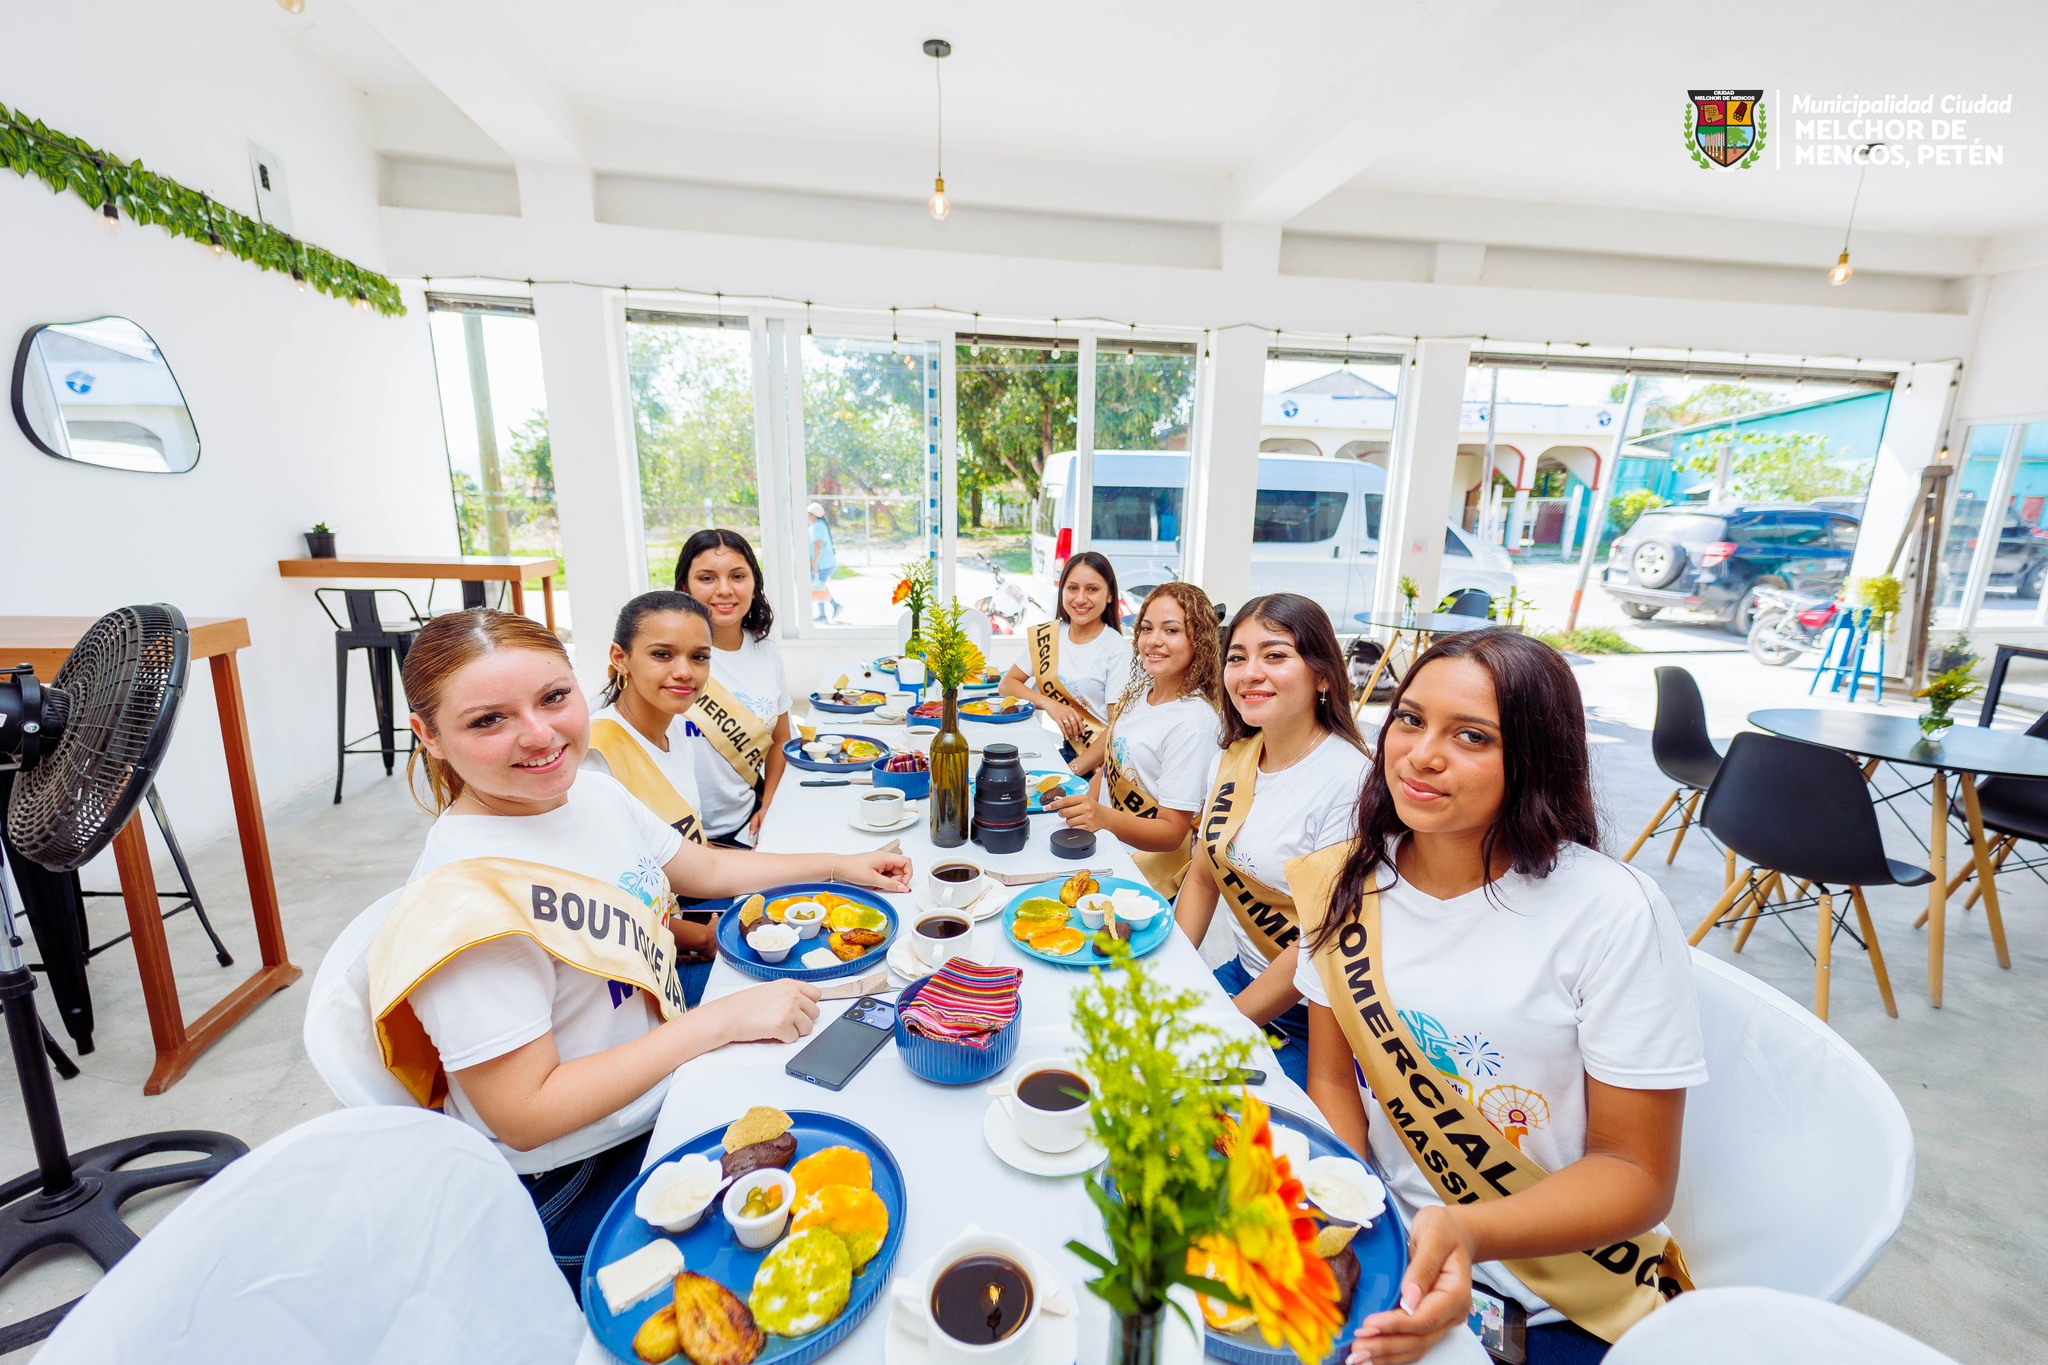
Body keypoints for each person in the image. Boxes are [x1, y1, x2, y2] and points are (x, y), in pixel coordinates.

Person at [370, 609, 912, 1291]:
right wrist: (719, 1021)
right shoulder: (462, 903)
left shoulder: (590, 793)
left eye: (554, 697)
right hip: (581, 1172)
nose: (539, 734)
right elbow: (527, 1114)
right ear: (429, 735)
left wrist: (838, 865)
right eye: (489, 720)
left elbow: (704, 868)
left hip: (663, 1081)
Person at [1292, 628, 1706, 1365]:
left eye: (1472, 736)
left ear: (1536, 759)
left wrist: (1468, 1230)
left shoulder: (1611, 911)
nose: (1421, 754)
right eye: (1410, 718)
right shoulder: (1343, 879)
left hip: (1563, 1296)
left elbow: (1636, 1173)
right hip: (1389, 1238)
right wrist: (1350, 1213)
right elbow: (1330, 1078)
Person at [1173, 593, 1368, 1091]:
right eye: (1237, 657)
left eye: (1275, 655)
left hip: (1315, 1017)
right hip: (1242, 977)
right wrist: (1171, 968)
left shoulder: (1350, 782)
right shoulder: (1233, 757)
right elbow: (1203, 878)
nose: (1249, 673)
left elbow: (1320, 939)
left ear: (1322, 675)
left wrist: (1229, 1023)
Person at [582, 590, 720, 1006]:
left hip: (683, 916)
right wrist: (702, 938)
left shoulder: (674, 727)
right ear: (620, 658)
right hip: (639, 970)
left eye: (699, 657)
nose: (685, 672)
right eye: (662, 655)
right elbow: (608, 905)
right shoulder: (596, 755)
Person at [1048, 583, 1223, 897]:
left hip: (1145, 874)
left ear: (1198, 639)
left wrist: (1102, 817)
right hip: (1105, 848)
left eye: (1171, 630)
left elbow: (1172, 833)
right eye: (1146, 628)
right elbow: (1113, 763)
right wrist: (1083, 798)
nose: (1153, 640)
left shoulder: (1194, 723)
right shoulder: (1141, 692)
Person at [675, 529, 790, 845]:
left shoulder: (766, 653)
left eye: (737, 576)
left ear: (754, 586)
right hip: (678, 836)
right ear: (685, 587)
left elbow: (781, 740)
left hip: (744, 826)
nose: (724, 590)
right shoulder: (665, 655)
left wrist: (769, 805)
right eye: (707, 578)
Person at [998, 550, 1131, 758]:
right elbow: (1007, 685)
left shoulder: (1116, 649)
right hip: (1069, 749)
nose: (1080, 598)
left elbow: (1116, 731)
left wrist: (1073, 769)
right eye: (1072, 588)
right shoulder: (1049, 636)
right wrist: (1051, 705)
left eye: (1092, 589)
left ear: (1110, 595)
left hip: (1101, 761)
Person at [806, 502, 841, 623]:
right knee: (818, 586)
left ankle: (833, 606)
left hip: (823, 564)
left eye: (808, 514)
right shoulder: (820, 525)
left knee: (818, 586)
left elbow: (818, 544)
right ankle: (824, 613)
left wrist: (814, 563)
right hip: (826, 563)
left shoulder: (817, 527)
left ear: (813, 515)